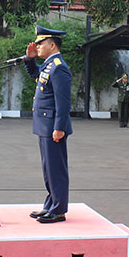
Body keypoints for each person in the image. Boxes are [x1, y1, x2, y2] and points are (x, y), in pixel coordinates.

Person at [24, 25, 72, 224]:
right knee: (48, 168)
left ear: (52, 45)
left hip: (53, 126)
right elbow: (36, 74)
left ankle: (58, 209)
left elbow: (63, 101)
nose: (38, 45)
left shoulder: (59, 66)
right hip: (45, 124)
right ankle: (50, 204)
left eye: (41, 43)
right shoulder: (49, 64)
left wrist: (59, 128)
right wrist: (30, 59)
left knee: (56, 168)